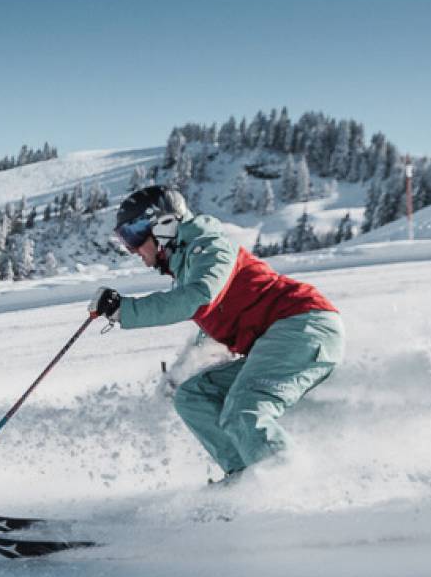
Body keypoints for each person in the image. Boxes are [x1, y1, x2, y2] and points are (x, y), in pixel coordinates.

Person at [89, 185, 342, 484]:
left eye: (133, 235)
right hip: (284, 334)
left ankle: (292, 490)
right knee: (194, 396)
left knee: (244, 410)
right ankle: (246, 482)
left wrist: (125, 311)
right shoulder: (190, 263)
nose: (133, 250)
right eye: (124, 240)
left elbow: (197, 298)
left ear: (164, 225)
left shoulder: (210, 247)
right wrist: (178, 375)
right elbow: (207, 333)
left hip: (302, 325)